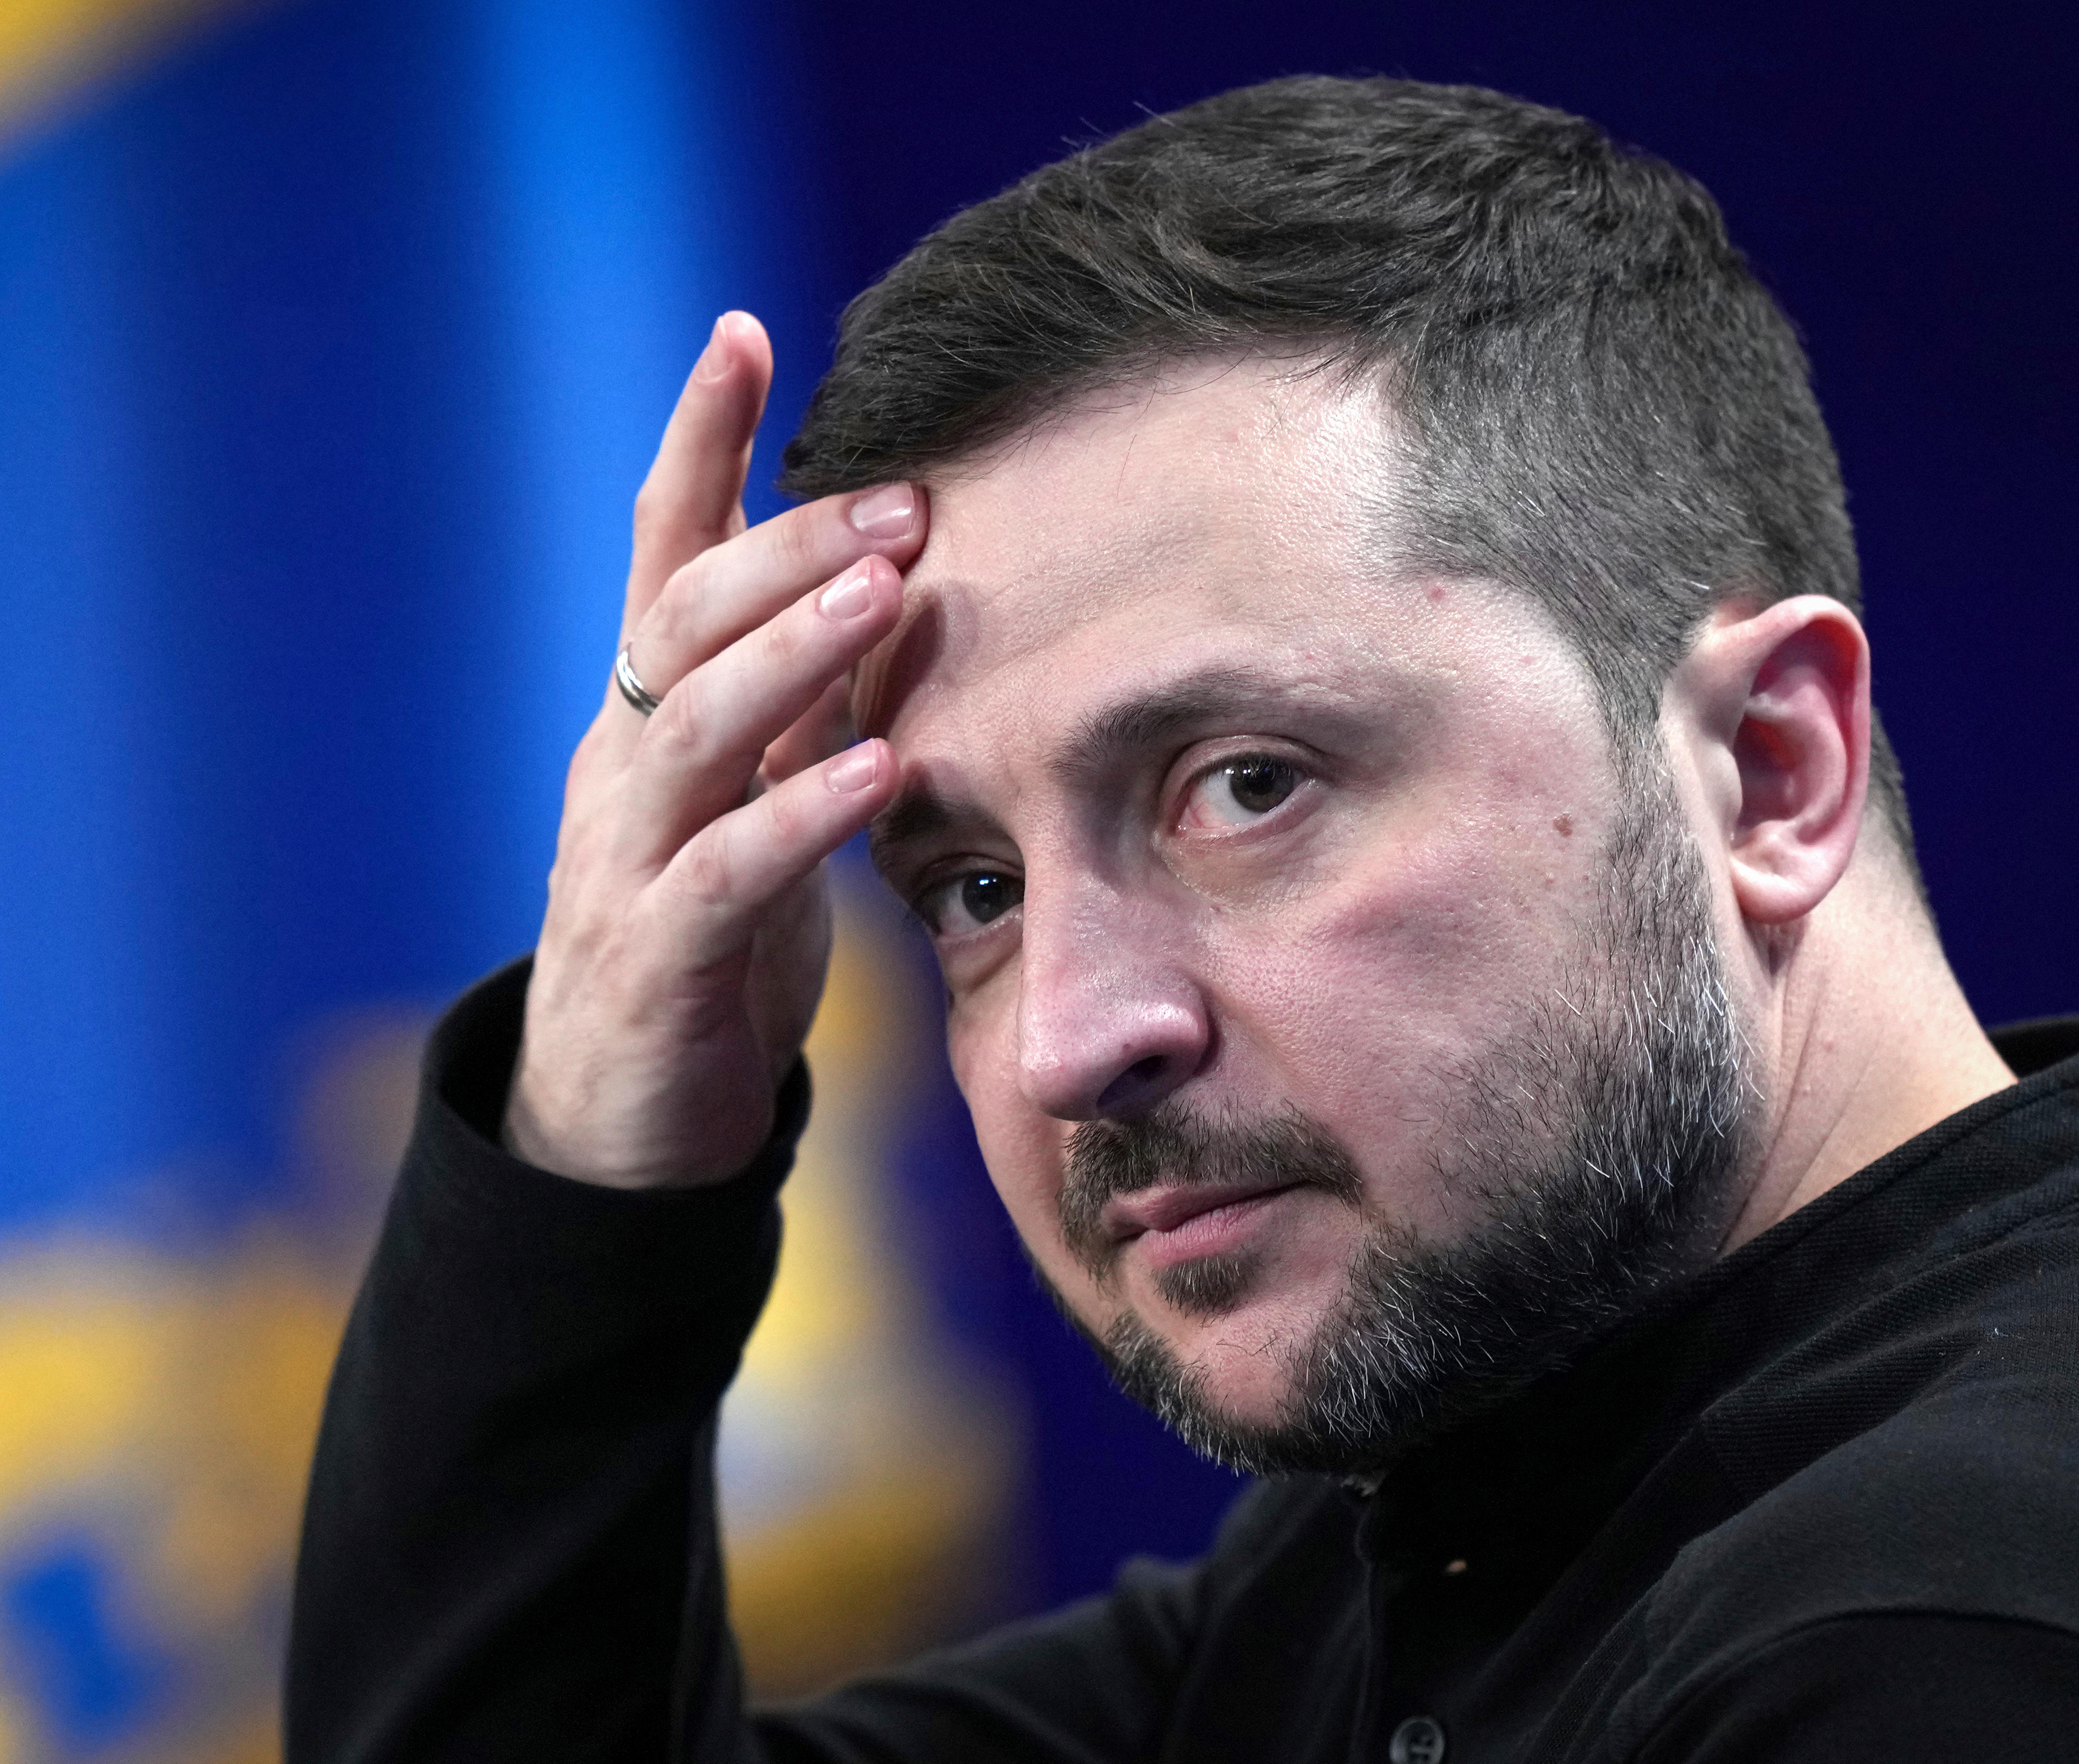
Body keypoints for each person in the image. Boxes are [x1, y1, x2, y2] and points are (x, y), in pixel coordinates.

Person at [287, 76, 2079, 1761]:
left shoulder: (1933, 1647)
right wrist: (599, 1147)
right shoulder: (1440, 1537)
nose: (1070, 1042)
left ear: (1767, 770)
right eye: (975, 890)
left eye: (1245, 787)